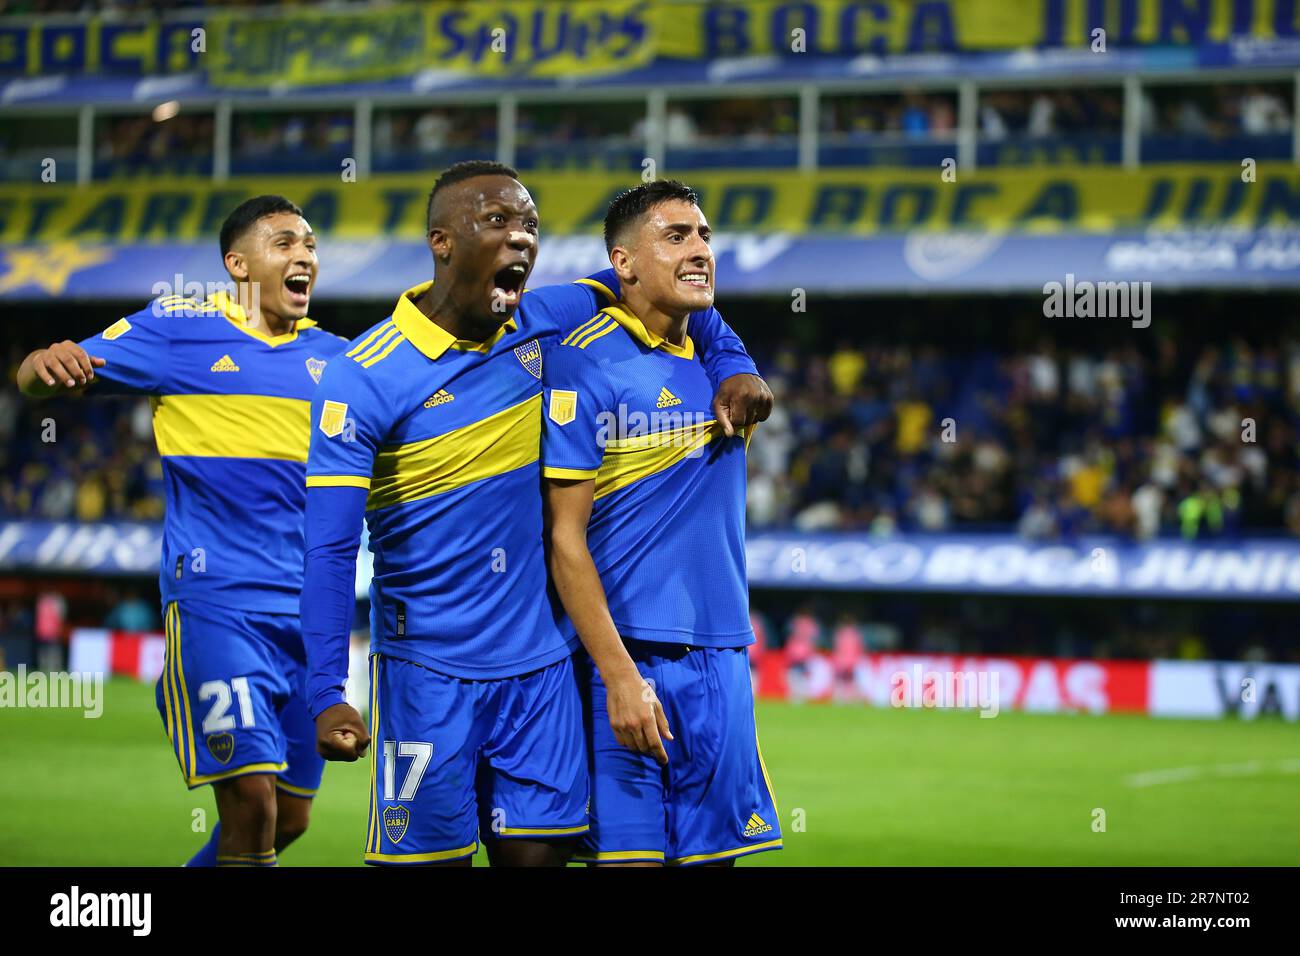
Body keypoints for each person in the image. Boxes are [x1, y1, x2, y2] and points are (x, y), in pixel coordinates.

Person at [301, 160, 771, 867]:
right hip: (427, 669)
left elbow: (680, 287)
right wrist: (326, 690)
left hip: (543, 669)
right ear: (442, 241)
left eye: (530, 226)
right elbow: (330, 552)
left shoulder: (543, 318)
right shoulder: (363, 374)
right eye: (499, 222)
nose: (522, 240)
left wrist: (732, 361)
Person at [15, 195, 348, 868]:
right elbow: (39, 376)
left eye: (310, 245)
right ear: (237, 263)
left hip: (314, 614)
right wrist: (41, 367)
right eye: (284, 243)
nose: (304, 255)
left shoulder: (341, 361)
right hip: (219, 601)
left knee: (289, 819)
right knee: (250, 805)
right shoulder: (178, 327)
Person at [541, 180, 781, 866]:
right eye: (676, 236)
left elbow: (704, 316)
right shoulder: (581, 362)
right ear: (623, 263)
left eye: (704, 235)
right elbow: (565, 538)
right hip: (623, 655)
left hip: (722, 654)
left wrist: (736, 359)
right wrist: (618, 674)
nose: (700, 248)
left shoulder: (720, 361)